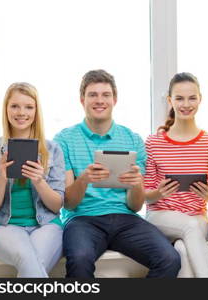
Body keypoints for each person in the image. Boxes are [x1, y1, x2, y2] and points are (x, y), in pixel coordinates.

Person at [53, 69, 180, 278]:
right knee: (80, 258)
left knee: (170, 258)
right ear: (82, 100)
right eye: (93, 95)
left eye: (105, 95)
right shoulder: (64, 139)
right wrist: (84, 179)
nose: (99, 100)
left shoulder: (132, 139)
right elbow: (69, 203)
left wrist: (136, 184)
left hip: (125, 218)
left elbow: (135, 205)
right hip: (82, 219)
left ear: (115, 99)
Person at [0, 82, 65, 277]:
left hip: (47, 225)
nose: (22, 112)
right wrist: (2, 177)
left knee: (32, 265)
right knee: (29, 259)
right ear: (6, 109)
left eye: (29, 106)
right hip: (6, 227)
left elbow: (56, 206)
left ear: (36, 111)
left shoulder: (52, 150)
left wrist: (39, 181)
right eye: (15, 106)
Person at [144, 72, 208, 277]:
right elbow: (144, 194)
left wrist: (207, 193)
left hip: (198, 217)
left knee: (183, 250)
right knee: (189, 227)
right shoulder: (153, 142)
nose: (186, 104)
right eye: (179, 98)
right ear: (170, 101)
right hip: (160, 216)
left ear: (200, 99)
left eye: (192, 98)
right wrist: (158, 193)